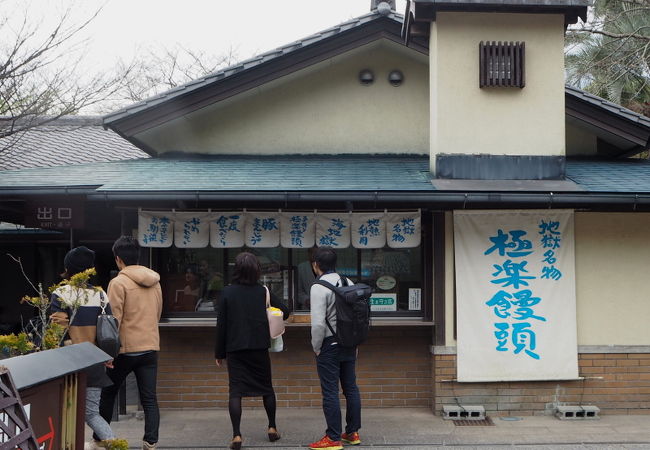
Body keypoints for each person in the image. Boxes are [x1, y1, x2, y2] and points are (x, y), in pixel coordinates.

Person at [215, 252, 290, 450]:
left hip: (235, 349)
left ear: (237, 270)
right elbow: (285, 310)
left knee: (236, 392)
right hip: (259, 347)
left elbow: (221, 325)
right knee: (266, 388)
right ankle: (272, 427)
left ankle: (237, 435)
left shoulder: (227, 292)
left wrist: (219, 353)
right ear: (256, 270)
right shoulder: (262, 291)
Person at [50, 246, 122, 450]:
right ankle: (116, 445)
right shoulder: (100, 295)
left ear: (68, 268)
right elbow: (108, 329)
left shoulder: (61, 294)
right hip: (95, 361)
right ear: (90, 269)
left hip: (69, 363)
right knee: (91, 413)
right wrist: (108, 356)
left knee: (66, 411)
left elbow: (57, 332)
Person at [98, 236, 163, 450]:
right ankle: (150, 441)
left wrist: (108, 353)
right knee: (149, 398)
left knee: (108, 393)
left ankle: (102, 439)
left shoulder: (118, 283)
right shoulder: (155, 281)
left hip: (125, 350)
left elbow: (112, 321)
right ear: (138, 256)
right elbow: (158, 313)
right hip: (150, 346)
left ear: (118, 260)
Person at [308, 247, 361, 450]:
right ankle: (352, 432)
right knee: (351, 388)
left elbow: (318, 324)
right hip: (349, 342)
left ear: (316, 265)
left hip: (329, 344)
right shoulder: (348, 282)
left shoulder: (318, 287)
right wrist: (355, 343)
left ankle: (332, 438)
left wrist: (316, 347)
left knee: (330, 391)